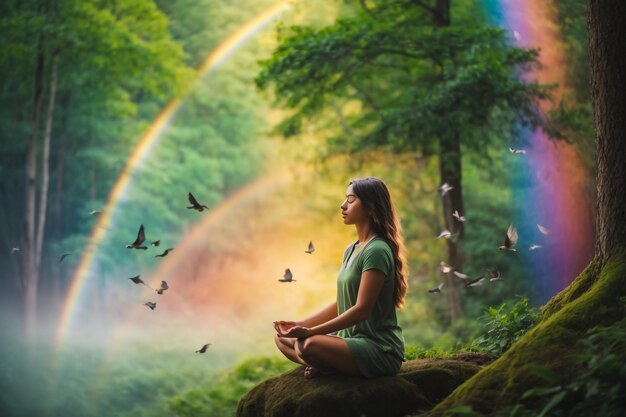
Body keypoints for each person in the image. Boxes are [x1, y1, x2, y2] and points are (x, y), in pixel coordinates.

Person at [273, 177, 408, 379]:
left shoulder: (377, 250)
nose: (343, 205)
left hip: (378, 347)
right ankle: (328, 364)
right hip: (349, 341)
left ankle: (325, 363)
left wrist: (311, 332)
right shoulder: (351, 249)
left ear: (371, 207)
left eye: (351, 200)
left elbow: (361, 310)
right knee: (281, 339)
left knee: (310, 345)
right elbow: (341, 304)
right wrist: (298, 325)